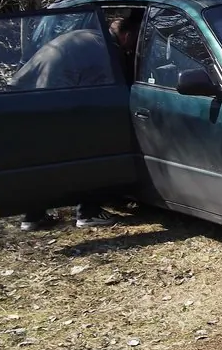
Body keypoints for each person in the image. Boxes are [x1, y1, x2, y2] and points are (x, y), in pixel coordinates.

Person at [13, 12, 142, 230]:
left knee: (47, 160)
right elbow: (102, 96)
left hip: (25, 100)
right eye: (136, 43)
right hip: (57, 103)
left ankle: (33, 216)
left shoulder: (85, 36)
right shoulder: (106, 52)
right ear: (127, 36)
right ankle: (88, 212)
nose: (133, 49)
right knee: (93, 153)